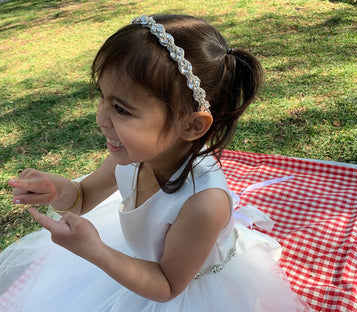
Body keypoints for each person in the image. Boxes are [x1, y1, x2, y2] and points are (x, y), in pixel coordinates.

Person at [1, 14, 309, 311]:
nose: (99, 119)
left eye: (121, 109)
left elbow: (168, 285)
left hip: (186, 289)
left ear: (190, 125)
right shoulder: (131, 158)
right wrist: (59, 190)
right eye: (102, 97)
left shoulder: (204, 203)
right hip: (140, 265)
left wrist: (96, 251)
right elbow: (81, 198)